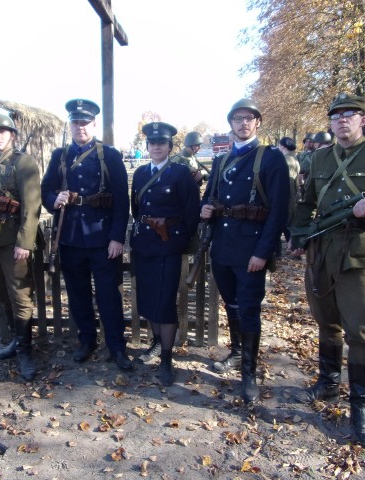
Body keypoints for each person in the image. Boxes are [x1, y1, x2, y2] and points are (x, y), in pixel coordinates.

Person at [289, 93, 365, 446]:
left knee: (360, 332)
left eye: (350, 114)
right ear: (330, 123)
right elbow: (307, 202)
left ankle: (361, 405)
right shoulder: (319, 156)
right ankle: (327, 382)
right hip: (321, 252)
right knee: (327, 322)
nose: (343, 120)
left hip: (358, 254)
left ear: (363, 120)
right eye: (336, 115)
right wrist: (299, 234)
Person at [202, 99, 290, 403]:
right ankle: (238, 353)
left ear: (258, 123)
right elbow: (210, 196)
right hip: (223, 248)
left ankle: (249, 373)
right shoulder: (221, 160)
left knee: (249, 308)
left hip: (251, 249)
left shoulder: (271, 158)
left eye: (249, 118)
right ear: (231, 124)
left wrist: (263, 251)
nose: (243, 124)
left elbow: (279, 210)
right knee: (232, 305)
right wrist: (206, 209)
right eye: (237, 119)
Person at [41, 99, 132, 371]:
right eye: (76, 122)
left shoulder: (109, 155)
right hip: (69, 238)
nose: (80, 127)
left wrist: (117, 237)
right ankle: (86, 341)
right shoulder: (60, 155)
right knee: (78, 294)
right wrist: (54, 199)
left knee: (108, 295)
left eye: (85, 122)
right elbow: (46, 189)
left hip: (102, 239)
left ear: (94, 124)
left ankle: (116, 345)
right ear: (70, 125)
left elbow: (121, 199)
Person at [130, 122, 200, 385]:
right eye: (152, 143)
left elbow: (191, 213)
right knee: (148, 300)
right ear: (147, 146)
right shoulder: (139, 174)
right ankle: (156, 344)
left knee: (165, 302)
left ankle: (167, 359)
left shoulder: (181, 173)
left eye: (162, 143)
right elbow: (136, 209)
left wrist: (175, 239)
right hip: (144, 245)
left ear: (170, 147)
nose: (156, 147)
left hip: (168, 245)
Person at [0, 113, 42, 381]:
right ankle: (16, 342)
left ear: (12, 135)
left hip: (14, 240)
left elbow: (32, 206)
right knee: (2, 293)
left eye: (2, 132)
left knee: (20, 296)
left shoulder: (23, 162)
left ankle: (26, 350)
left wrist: (24, 243)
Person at [277, 137, 300, 243]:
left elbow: (289, 183)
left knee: (286, 223)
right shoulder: (293, 158)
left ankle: (293, 246)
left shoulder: (287, 160)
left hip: (287, 197)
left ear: (282, 146)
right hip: (292, 196)